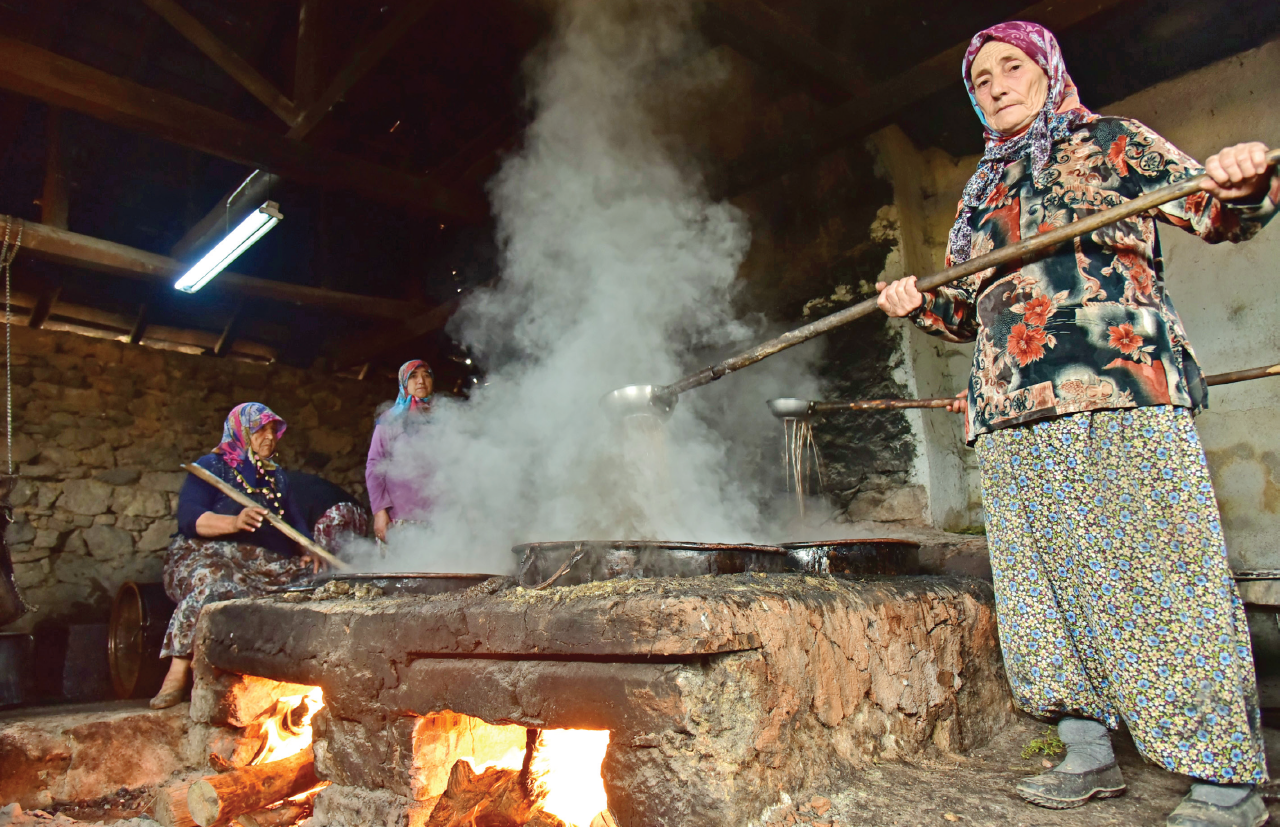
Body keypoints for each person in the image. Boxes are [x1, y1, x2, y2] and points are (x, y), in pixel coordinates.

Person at [875, 22, 1277, 827]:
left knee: (1159, 576)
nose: (994, 84)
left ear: (1047, 69)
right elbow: (965, 311)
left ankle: (1225, 783)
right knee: (1044, 593)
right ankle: (1088, 752)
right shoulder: (979, 193)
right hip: (1008, 407)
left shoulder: (1111, 142)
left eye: (1010, 67)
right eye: (980, 77)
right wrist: (922, 304)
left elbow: (1217, 209)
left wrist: (1241, 180)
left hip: (1116, 383)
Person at [151, 403, 323, 709]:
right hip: (203, 553)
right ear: (241, 431)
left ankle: (274, 669)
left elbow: (295, 524)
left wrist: (309, 549)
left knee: (313, 586)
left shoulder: (277, 478)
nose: (269, 437)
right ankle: (178, 669)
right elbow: (190, 519)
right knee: (212, 583)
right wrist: (234, 522)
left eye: (273, 430)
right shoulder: (210, 467)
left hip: (258, 561)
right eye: (260, 430)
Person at [365, 359, 435, 542]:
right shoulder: (390, 420)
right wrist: (380, 512)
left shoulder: (443, 418)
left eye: (426, 376)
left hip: (438, 520)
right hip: (400, 518)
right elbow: (374, 465)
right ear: (403, 382)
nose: (421, 381)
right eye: (413, 376)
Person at [285, 470, 370, 557]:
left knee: (319, 566)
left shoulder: (276, 490)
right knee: (354, 561)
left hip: (330, 518)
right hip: (356, 513)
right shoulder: (286, 478)